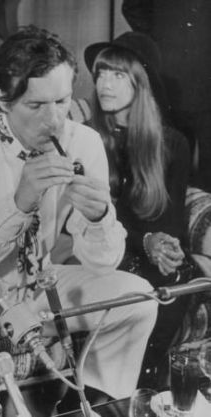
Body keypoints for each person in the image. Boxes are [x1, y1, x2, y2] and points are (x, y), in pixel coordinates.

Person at [0, 25, 158, 417]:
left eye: (62, 101)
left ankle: (93, 409)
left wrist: (98, 217)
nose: (54, 120)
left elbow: (102, 263)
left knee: (138, 299)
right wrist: (20, 203)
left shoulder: (84, 142)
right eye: (36, 106)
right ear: (2, 99)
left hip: (33, 282)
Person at [84, 32, 191, 389]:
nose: (104, 84)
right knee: (140, 288)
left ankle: (142, 386)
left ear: (140, 83)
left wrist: (167, 247)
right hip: (103, 249)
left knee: (180, 281)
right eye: (101, 74)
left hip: (148, 249)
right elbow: (90, 222)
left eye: (117, 75)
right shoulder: (87, 138)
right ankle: (121, 392)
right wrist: (145, 242)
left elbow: (173, 220)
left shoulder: (172, 143)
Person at [121, 0, 211, 191]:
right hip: (170, 78)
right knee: (168, 157)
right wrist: (160, 36)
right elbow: (132, 6)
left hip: (205, 79)